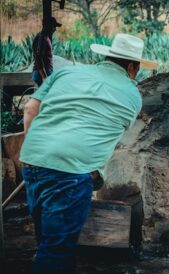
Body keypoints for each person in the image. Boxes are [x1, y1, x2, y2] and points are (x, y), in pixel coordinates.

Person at [19, 33, 157, 274]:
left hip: (33, 162)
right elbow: (108, 136)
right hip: (71, 173)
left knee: (47, 242)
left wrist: (34, 151)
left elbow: (31, 108)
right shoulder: (133, 95)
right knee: (56, 250)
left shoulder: (65, 73)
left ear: (105, 57)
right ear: (133, 67)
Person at [32, 16, 62, 86]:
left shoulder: (44, 37)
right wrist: (44, 76)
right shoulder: (42, 38)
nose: (55, 29)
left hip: (44, 72)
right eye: (53, 26)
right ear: (48, 26)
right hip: (42, 73)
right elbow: (38, 57)